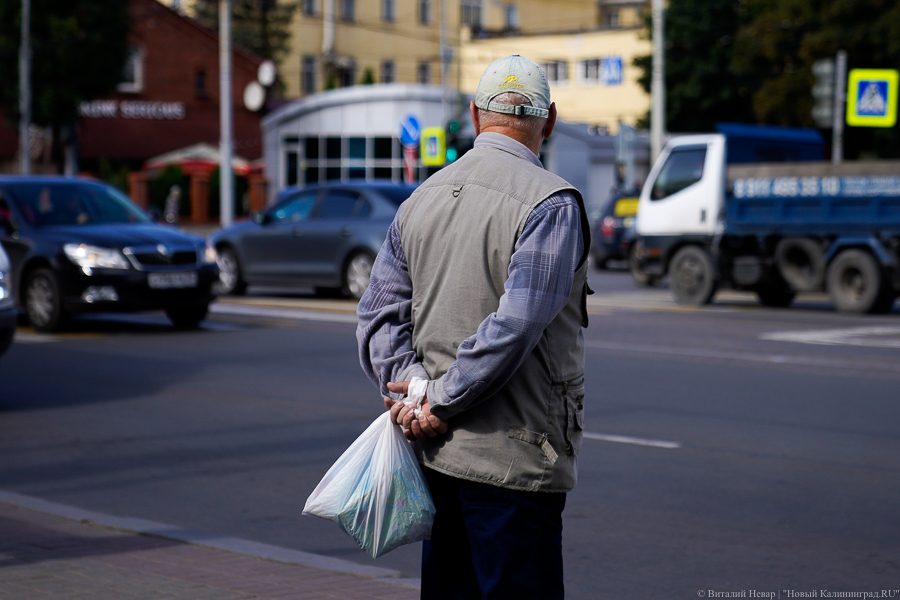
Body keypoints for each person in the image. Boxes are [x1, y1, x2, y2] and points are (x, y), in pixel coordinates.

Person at [357, 54, 591, 600]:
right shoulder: (549, 203)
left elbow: (378, 312)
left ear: (475, 115)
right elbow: (516, 325)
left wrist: (417, 398)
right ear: (548, 119)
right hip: (514, 457)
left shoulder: (420, 198)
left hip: (434, 455)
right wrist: (436, 402)